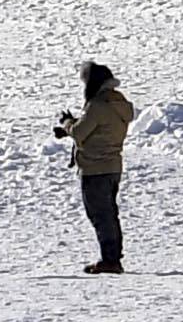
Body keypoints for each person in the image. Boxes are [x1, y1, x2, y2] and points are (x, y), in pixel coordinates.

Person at [55, 60, 136, 274]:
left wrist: (67, 124)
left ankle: (110, 260)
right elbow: (98, 128)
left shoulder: (97, 105)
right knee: (110, 213)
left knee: (100, 215)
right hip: (113, 166)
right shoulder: (119, 103)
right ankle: (113, 256)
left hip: (94, 167)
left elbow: (81, 132)